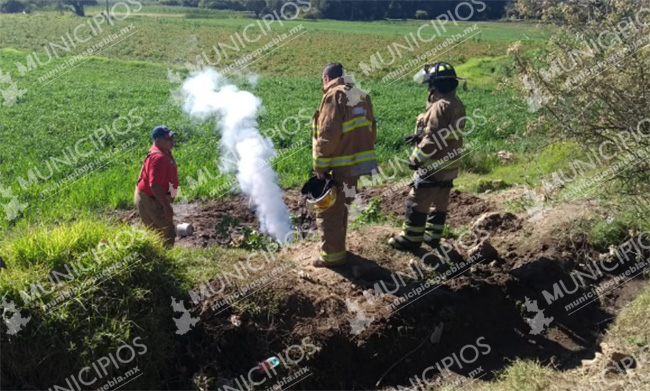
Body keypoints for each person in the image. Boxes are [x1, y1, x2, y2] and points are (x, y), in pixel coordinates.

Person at [389, 62, 466, 252]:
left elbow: (433, 138)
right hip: (449, 165)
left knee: (417, 200)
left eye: (430, 84)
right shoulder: (456, 104)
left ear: (436, 85)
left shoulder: (439, 107)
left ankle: (411, 240)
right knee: (440, 201)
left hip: (432, 166)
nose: (428, 88)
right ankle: (432, 237)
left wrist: (416, 158)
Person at [311, 62, 378, 267]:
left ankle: (332, 257)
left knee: (328, 210)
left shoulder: (334, 95)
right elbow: (372, 129)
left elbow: (328, 134)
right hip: (357, 166)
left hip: (339, 165)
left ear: (326, 78)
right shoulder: (360, 94)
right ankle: (338, 249)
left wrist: (320, 165)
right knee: (342, 207)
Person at [134, 126, 179, 247]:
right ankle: (164, 260)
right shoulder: (158, 158)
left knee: (158, 232)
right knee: (166, 232)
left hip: (154, 197)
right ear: (158, 141)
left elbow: (171, 179)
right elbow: (154, 185)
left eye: (172, 138)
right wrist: (166, 206)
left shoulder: (164, 152)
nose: (172, 141)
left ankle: (160, 257)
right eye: (168, 139)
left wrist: (171, 196)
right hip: (150, 199)